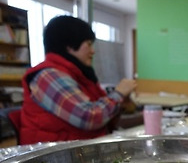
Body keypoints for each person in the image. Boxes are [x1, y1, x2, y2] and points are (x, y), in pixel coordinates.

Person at [20, 15, 136, 145]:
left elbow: (102, 119)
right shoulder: (48, 76)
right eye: (88, 44)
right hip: (52, 157)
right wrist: (118, 94)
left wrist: (120, 105)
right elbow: (88, 118)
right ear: (69, 45)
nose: (93, 51)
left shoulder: (77, 74)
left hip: (77, 150)